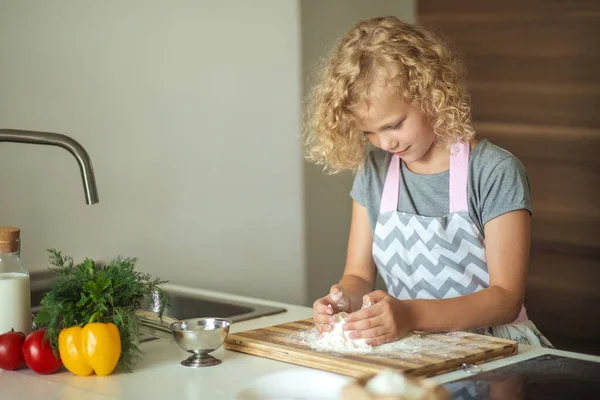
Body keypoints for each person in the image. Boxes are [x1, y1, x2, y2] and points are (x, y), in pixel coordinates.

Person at [303, 16, 553, 348]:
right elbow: (359, 276)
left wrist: (411, 315)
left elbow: (505, 298)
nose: (385, 143)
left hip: (495, 350)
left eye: (394, 125)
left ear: (430, 94)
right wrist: (341, 299)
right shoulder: (374, 170)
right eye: (369, 132)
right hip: (414, 348)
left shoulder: (494, 171)